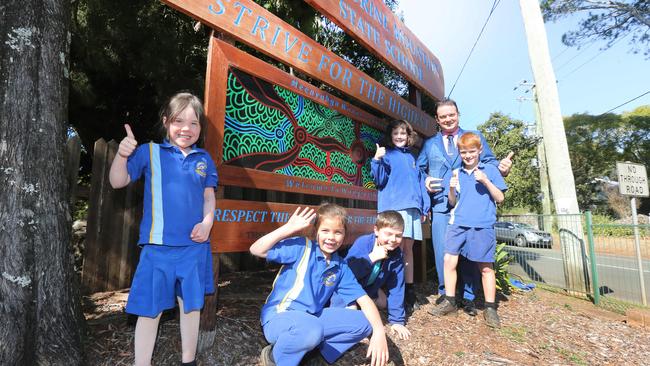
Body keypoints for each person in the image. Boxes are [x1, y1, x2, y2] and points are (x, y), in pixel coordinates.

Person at [109, 92, 218, 366]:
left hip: (194, 248)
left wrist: (207, 224)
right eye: (179, 121)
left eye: (194, 123)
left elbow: (208, 197)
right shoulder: (149, 152)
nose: (186, 128)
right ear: (166, 121)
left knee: (191, 306)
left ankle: (188, 360)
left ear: (201, 128)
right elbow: (117, 181)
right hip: (157, 248)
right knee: (150, 310)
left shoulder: (204, 159)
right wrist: (122, 155)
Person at [250, 204, 389, 366]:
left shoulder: (340, 266)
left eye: (338, 232)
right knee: (311, 329)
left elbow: (363, 299)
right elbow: (256, 249)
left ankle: (317, 358)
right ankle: (275, 357)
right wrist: (288, 228)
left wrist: (379, 331)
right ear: (316, 231)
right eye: (325, 231)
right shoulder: (302, 248)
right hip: (280, 317)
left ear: (344, 236)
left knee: (365, 322)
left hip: (312, 318)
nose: (331, 237)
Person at [416, 99, 512, 315]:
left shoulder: (473, 137)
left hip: (471, 205)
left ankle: (469, 297)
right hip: (442, 204)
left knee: (470, 254)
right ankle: (447, 296)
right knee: (444, 253)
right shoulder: (430, 144)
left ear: (458, 114)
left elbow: (491, 163)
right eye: (443, 116)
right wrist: (424, 181)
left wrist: (503, 169)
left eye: (451, 114)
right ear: (437, 120)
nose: (448, 119)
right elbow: (419, 169)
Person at [428, 132, 507, 328]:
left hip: (482, 224)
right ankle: (450, 301)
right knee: (448, 260)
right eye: (464, 152)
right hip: (458, 223)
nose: (468, 155)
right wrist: (452, 189)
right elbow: (452, 202)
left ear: (480, 150)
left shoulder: (490, 170)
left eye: (472, 151)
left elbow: (500, 198)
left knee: (486, 267)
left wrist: (486, 181)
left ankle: (490, 308)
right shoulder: (456, 173)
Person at [372, 119, 430, 313]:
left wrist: (424, 206)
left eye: (403, 133)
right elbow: (379, 180)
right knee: (388, 249)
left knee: (408, 250)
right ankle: (383, 287)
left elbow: (420, 184)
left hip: (412, 208)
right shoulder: (386, 154)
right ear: (390, 136)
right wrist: (377, 160)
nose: (399, 136)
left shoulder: (413, 157)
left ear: (408, 136)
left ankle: (409, 290)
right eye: (395, 133)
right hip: (392, 208)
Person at [331, 210, 411, 340]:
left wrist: (397, 321)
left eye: (398, 235)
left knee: (384, 303)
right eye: (388, 234)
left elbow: (397, 287)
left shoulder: (396, 255)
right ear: (376, 231)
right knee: (350, 312)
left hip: (368, 287)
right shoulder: (363, 243)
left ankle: (369, 299)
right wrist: (371, 258)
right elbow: (347, 275)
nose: (393, 240)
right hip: (348, 287)